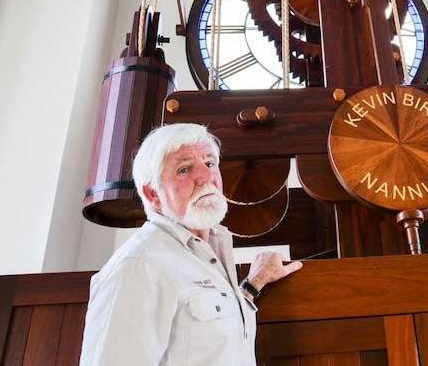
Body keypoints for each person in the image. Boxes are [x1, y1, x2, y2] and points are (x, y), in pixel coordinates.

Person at [80, 123, 302, 365]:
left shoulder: (205, 250)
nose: (206, 177)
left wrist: (252, 285)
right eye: (184, 169)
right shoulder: (138, 266)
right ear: (153, 194)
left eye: (209, 164)